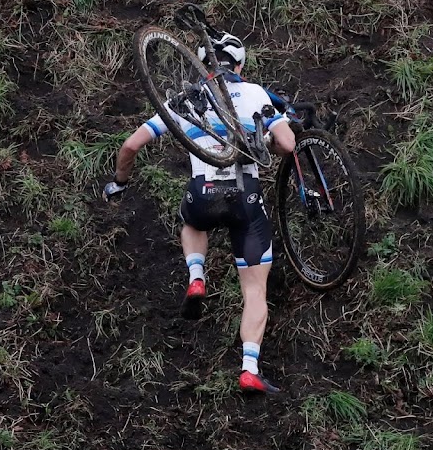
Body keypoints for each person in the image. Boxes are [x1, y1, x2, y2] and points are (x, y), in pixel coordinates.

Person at [102, 32, 296, 393]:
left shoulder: (185, 100)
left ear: (202, 65)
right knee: (255, 292)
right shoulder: (256, 93)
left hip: (203, 192)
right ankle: (249, 368)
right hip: (246, 200)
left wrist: (119, 181)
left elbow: (130, 146)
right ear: (239, 65)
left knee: (192, 221)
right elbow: (287, 144)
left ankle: (196, 276)